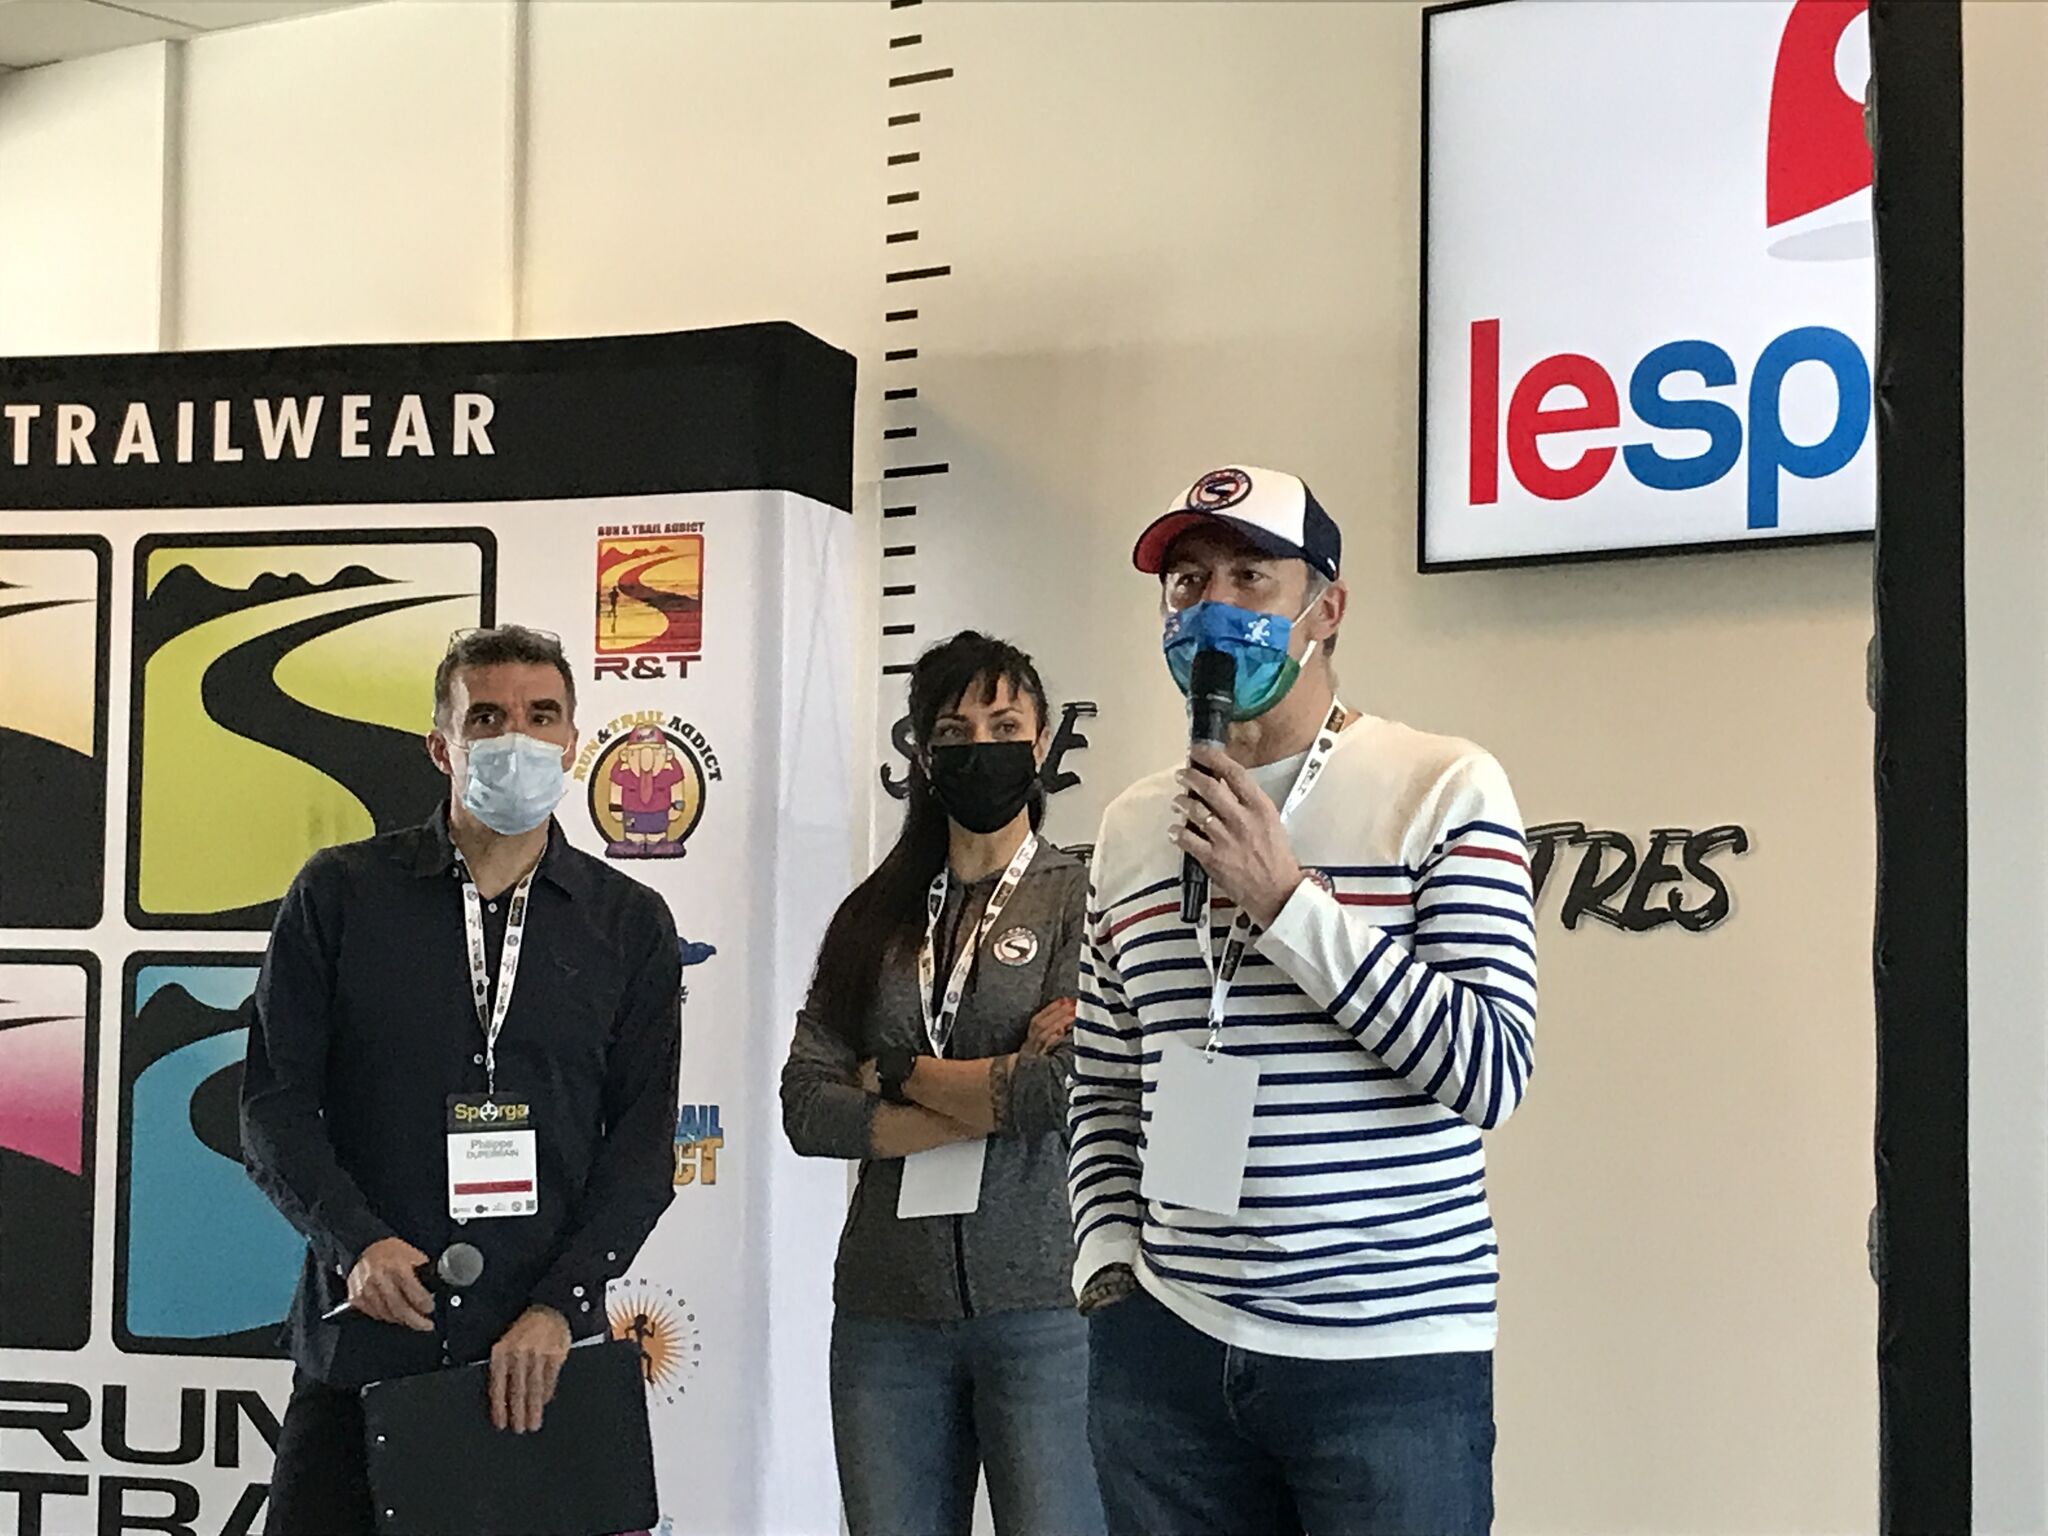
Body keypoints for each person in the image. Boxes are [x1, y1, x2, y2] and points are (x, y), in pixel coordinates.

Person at [1070, 466, 1537, 1536]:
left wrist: (1285, 903)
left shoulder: (1441, 786)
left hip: (1386, 1363)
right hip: (1167, 1354)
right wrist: (1107, 1270)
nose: (1211, 606)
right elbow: (1101, 1080)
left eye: (1250, 577)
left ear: (1326, 609)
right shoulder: (1132, 826)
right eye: (1187, 581)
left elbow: (1490, 1069)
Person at [242, 624, 682, 1535]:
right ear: (442, 746)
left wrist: (562, 1305)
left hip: (537, 1358)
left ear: (573, 743)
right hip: (367, 1339)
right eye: (486, 717)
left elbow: (641, 1151)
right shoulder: (340, 894)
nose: (517, 736)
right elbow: (275, 1109)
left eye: (541, 715)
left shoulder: (628, 924)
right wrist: (356, 1243)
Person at [781, 630, 1106, 1536]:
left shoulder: (1083, 898)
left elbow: (1064, 1091)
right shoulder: (872, 915)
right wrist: (996, 1088)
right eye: (954, 732)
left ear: (1042, 741)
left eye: (1004, 726)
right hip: (886, 1315)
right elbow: (807, 1106)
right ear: (922, 753)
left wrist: (893, 1074)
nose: (980, 747)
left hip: (1046, 1305)